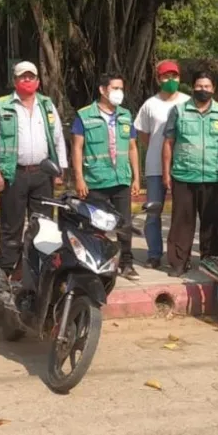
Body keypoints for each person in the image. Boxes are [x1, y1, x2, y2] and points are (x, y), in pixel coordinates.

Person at [0, 61, 68, 278]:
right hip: (14, 173)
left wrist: (60, 169)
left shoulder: (47, 106)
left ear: (38, 81)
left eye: (31, 76)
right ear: (15, 81)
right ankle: (5, 268)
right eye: (23, 77)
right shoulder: (1, 106)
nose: (27, 80)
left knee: (44, 224)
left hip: (43, 173)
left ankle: (40, 266)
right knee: (12, 224)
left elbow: (58, 138)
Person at [72, 73, 141, 280]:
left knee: (124, 224)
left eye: (121, 88)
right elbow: (77, 148)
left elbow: (132, 147)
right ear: (103, 90)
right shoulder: (85, 116)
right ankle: (95, 263)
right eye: (115, 88)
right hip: (95, 179)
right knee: (95, 224)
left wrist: (136, 177)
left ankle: (126, 263)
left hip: (121, 179)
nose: (119, 92)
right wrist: (79, 178)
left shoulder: (126, 115)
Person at [162, 70, 218, 277]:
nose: (203, 90)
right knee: (181, 223)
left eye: (207, 86)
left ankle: (211, 261)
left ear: (213, 89)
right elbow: (168, 143)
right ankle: (179, 263)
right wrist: (166, 173)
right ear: (193, 87)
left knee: (212, 223)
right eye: (199, 86)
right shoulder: (178, 111)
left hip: (214, 175)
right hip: (184, 175)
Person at [134, 59, 190, 269]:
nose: (171, 80)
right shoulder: (150, 105)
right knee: (153, 212)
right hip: (155, 167)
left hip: (182, 167)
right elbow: (143, 134)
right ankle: (154, 254)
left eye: (174, 76)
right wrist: (157, 149)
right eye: (166, 76)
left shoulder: (187, 102)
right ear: (158, 79)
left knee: (182, 214)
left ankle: (179, 256)